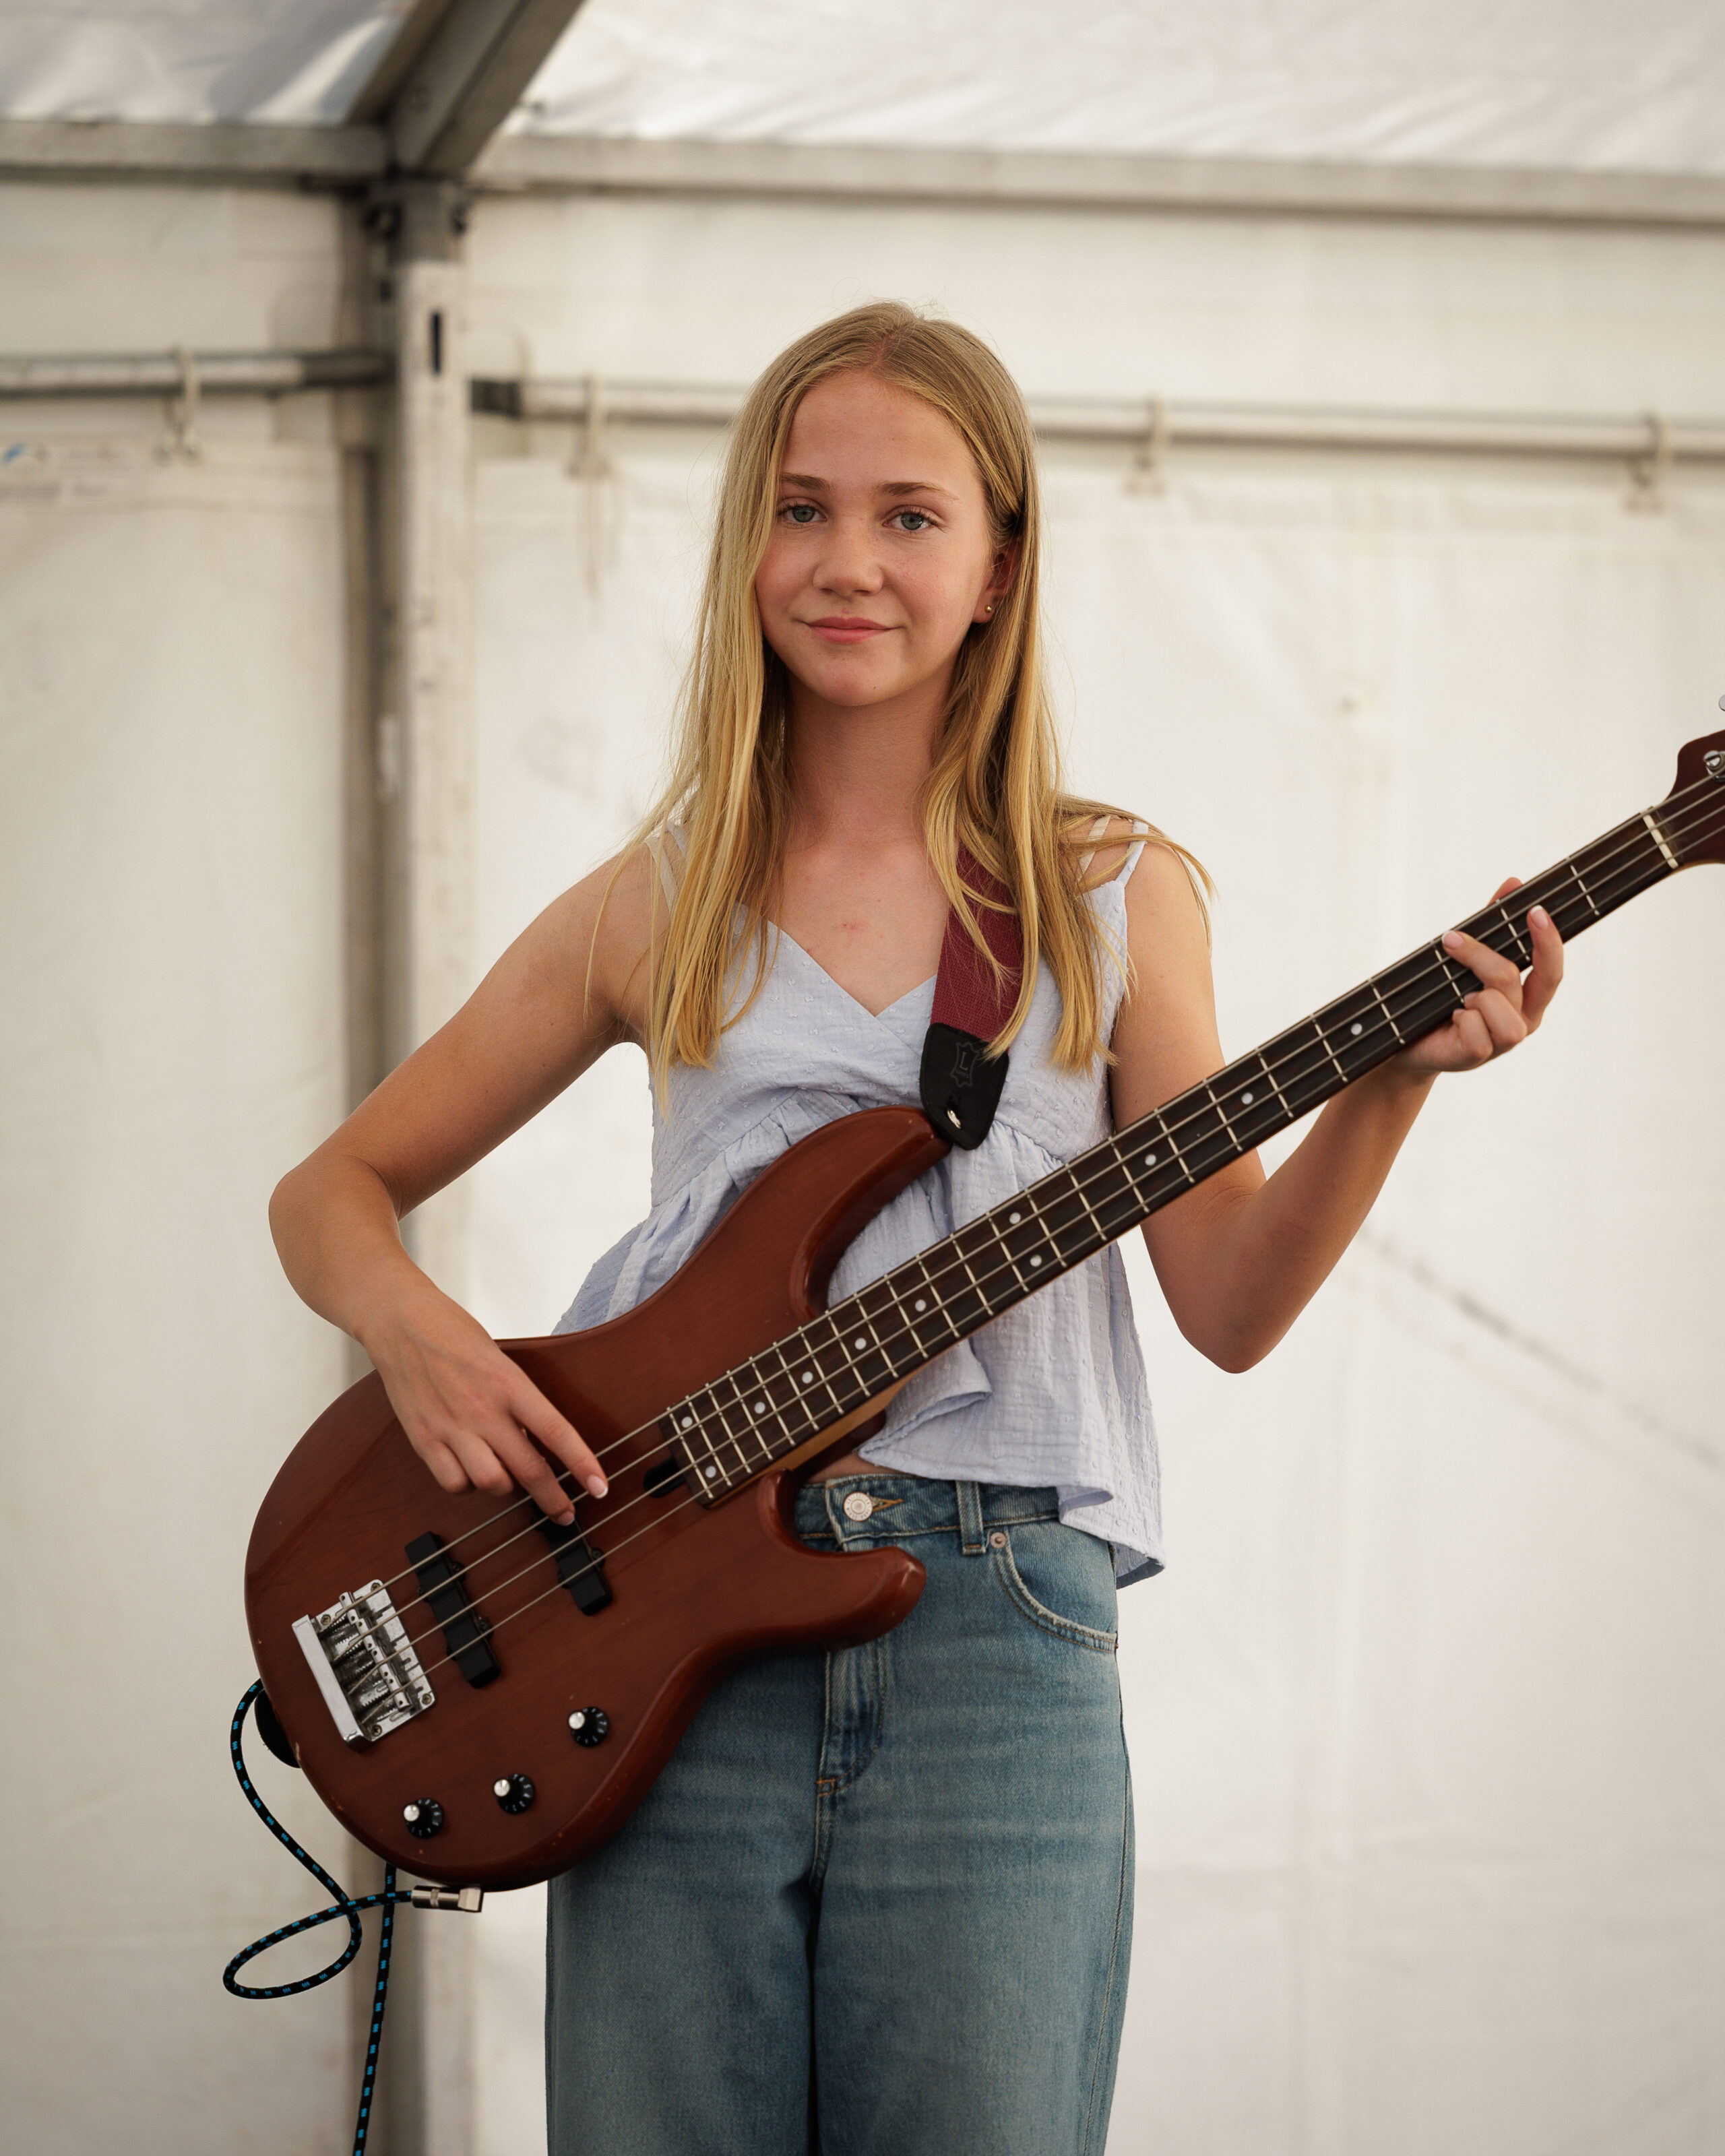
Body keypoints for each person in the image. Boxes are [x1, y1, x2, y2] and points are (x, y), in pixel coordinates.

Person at [269, 302, 1563, 2155]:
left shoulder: (1114, 895)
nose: (849, 562)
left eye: (909, 516)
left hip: (1000, 1637)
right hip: (655, 1622)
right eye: (802, 509)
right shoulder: (658, 900)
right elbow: (327, 1192)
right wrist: (421, 1339)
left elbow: (1228, 1303)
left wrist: (1392, 1085)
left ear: (999, 566)